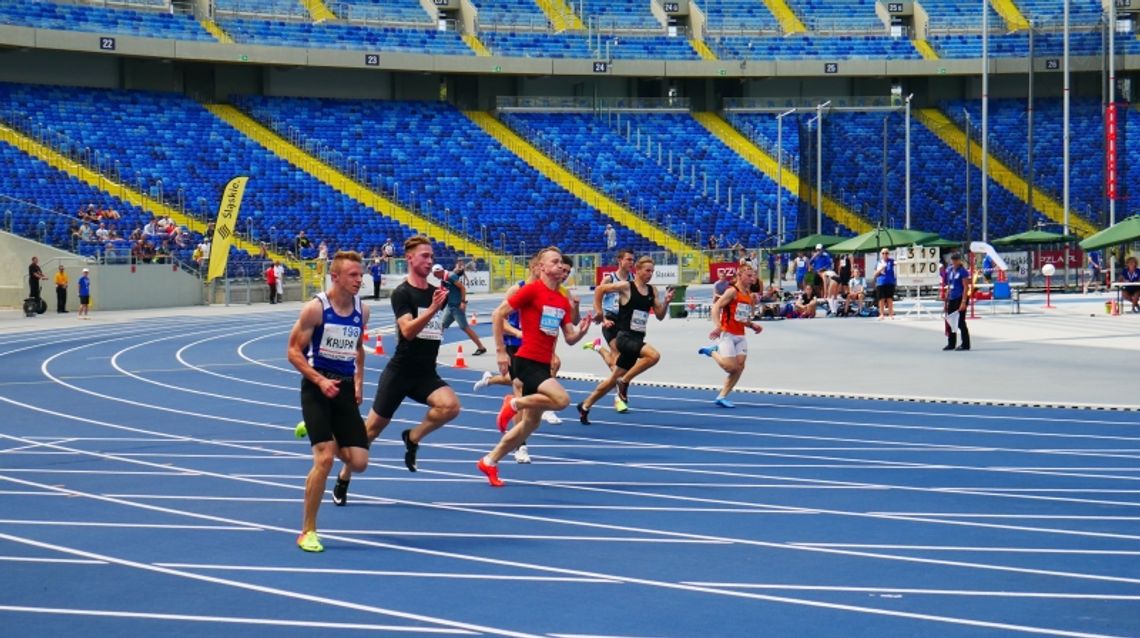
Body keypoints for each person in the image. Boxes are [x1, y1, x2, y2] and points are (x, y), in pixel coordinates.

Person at [331, 236, 460, 504]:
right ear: (410, 259)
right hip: (400, 372)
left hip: (426, 373)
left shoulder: (436, 291)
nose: (430, 260)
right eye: (424, 256)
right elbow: (407, 331)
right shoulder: (403, 293)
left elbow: (459, 301)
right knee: (371, 431)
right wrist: (434, 308)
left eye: (431, 256)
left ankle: (412, 437)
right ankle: (344, 476)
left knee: (450, 407)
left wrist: (454, 285)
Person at [476, 247, 592, 487]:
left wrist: (583, 330)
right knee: (561, 400)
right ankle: (513, 403)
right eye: (555, 262)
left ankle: (489, 461)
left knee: (530, 424)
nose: (561, 266)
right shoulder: (530, 290)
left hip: (542, 362)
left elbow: (569, 337)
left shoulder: (561, 299)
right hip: (527, 360)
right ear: (541, 267)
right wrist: (499, 351)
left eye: (562, 262)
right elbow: (498, 314)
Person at [285, 251, 372, 553]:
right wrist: (320, 380)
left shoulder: (364, 310)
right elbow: (293, 352)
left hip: (345, 390)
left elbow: (358, 348)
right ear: (335, 277)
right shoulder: (316, 309)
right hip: (317, 387)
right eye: (353, 275)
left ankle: (315, 427)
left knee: (359, 463)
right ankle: (307, 530)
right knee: (325, 458)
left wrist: (359, 383)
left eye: (361, 275)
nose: (359, 280)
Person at [577, 256, 672, 424]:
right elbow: (600, 290)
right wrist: (599, 312)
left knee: (611, 380)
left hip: (637, 337)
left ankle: (585, 406)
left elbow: (660, 316)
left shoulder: (652, 291)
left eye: (652, 271)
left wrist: (666, 303)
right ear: (637, 270)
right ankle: (625, 381)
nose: (650, 274)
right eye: (647, 270)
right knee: (654, 356)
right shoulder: (626, 287)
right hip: (624, 337)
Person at [697, 263, 764, 408]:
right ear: (739, 276)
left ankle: (722, 396)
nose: (752, 279)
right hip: (727, 333)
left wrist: (753, 325)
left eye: (753, 276)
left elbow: (742, 317)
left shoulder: (748, 295)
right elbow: (716, 307)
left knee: (740, 367)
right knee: (730, 367)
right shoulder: (731, 291)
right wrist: (718, 326)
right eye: (749, 276)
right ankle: (713, 351)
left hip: (741, 335)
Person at [585, 249, 634, 384]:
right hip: (610, 320)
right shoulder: (609, 278)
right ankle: (620, 392)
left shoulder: (633, 280)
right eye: (628, 259)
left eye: (633, 260)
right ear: (620, 260)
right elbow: (597, 297)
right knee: (618, 359)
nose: (631, 263)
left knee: (617, 360)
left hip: (625, 322)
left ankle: (598, 348)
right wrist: (603, 318)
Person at [434, 263, 487, 355]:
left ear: (440, 271)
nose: (434, 276)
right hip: (450, 307)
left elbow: (462, 288)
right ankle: (434, 348)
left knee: (465, 327)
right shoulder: (444, 278)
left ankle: (481, 347)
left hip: (457, 307)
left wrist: (463, 302)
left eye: (435, 274)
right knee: (441, 326)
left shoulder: (450, 276)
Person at [943, 252, 972, 351]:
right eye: (953, 259)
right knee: (951, 321)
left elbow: (965, 287)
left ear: (960, 260)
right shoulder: (950, 270)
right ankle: (951, 343)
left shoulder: (963, 271)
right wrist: (947, 293)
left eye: (956, 259)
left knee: (960, 322)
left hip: (960, 298)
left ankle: (965, 344)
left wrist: (963, 302)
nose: (955, 261)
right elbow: (950, 283)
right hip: (952, 297)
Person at [873, 248, 897, 320]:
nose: (885, 254)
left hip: (890, 282)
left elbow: (898, 263)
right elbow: (875, 274)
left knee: (889, 299)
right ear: (881, 254)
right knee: (881, 299)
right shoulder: (878, 263)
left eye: (886, 253)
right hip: (880, 283)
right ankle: (881, 315)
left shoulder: (891, 261)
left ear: (888, 254)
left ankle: (891, 314)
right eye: (883, 253)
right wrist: (881, 269)